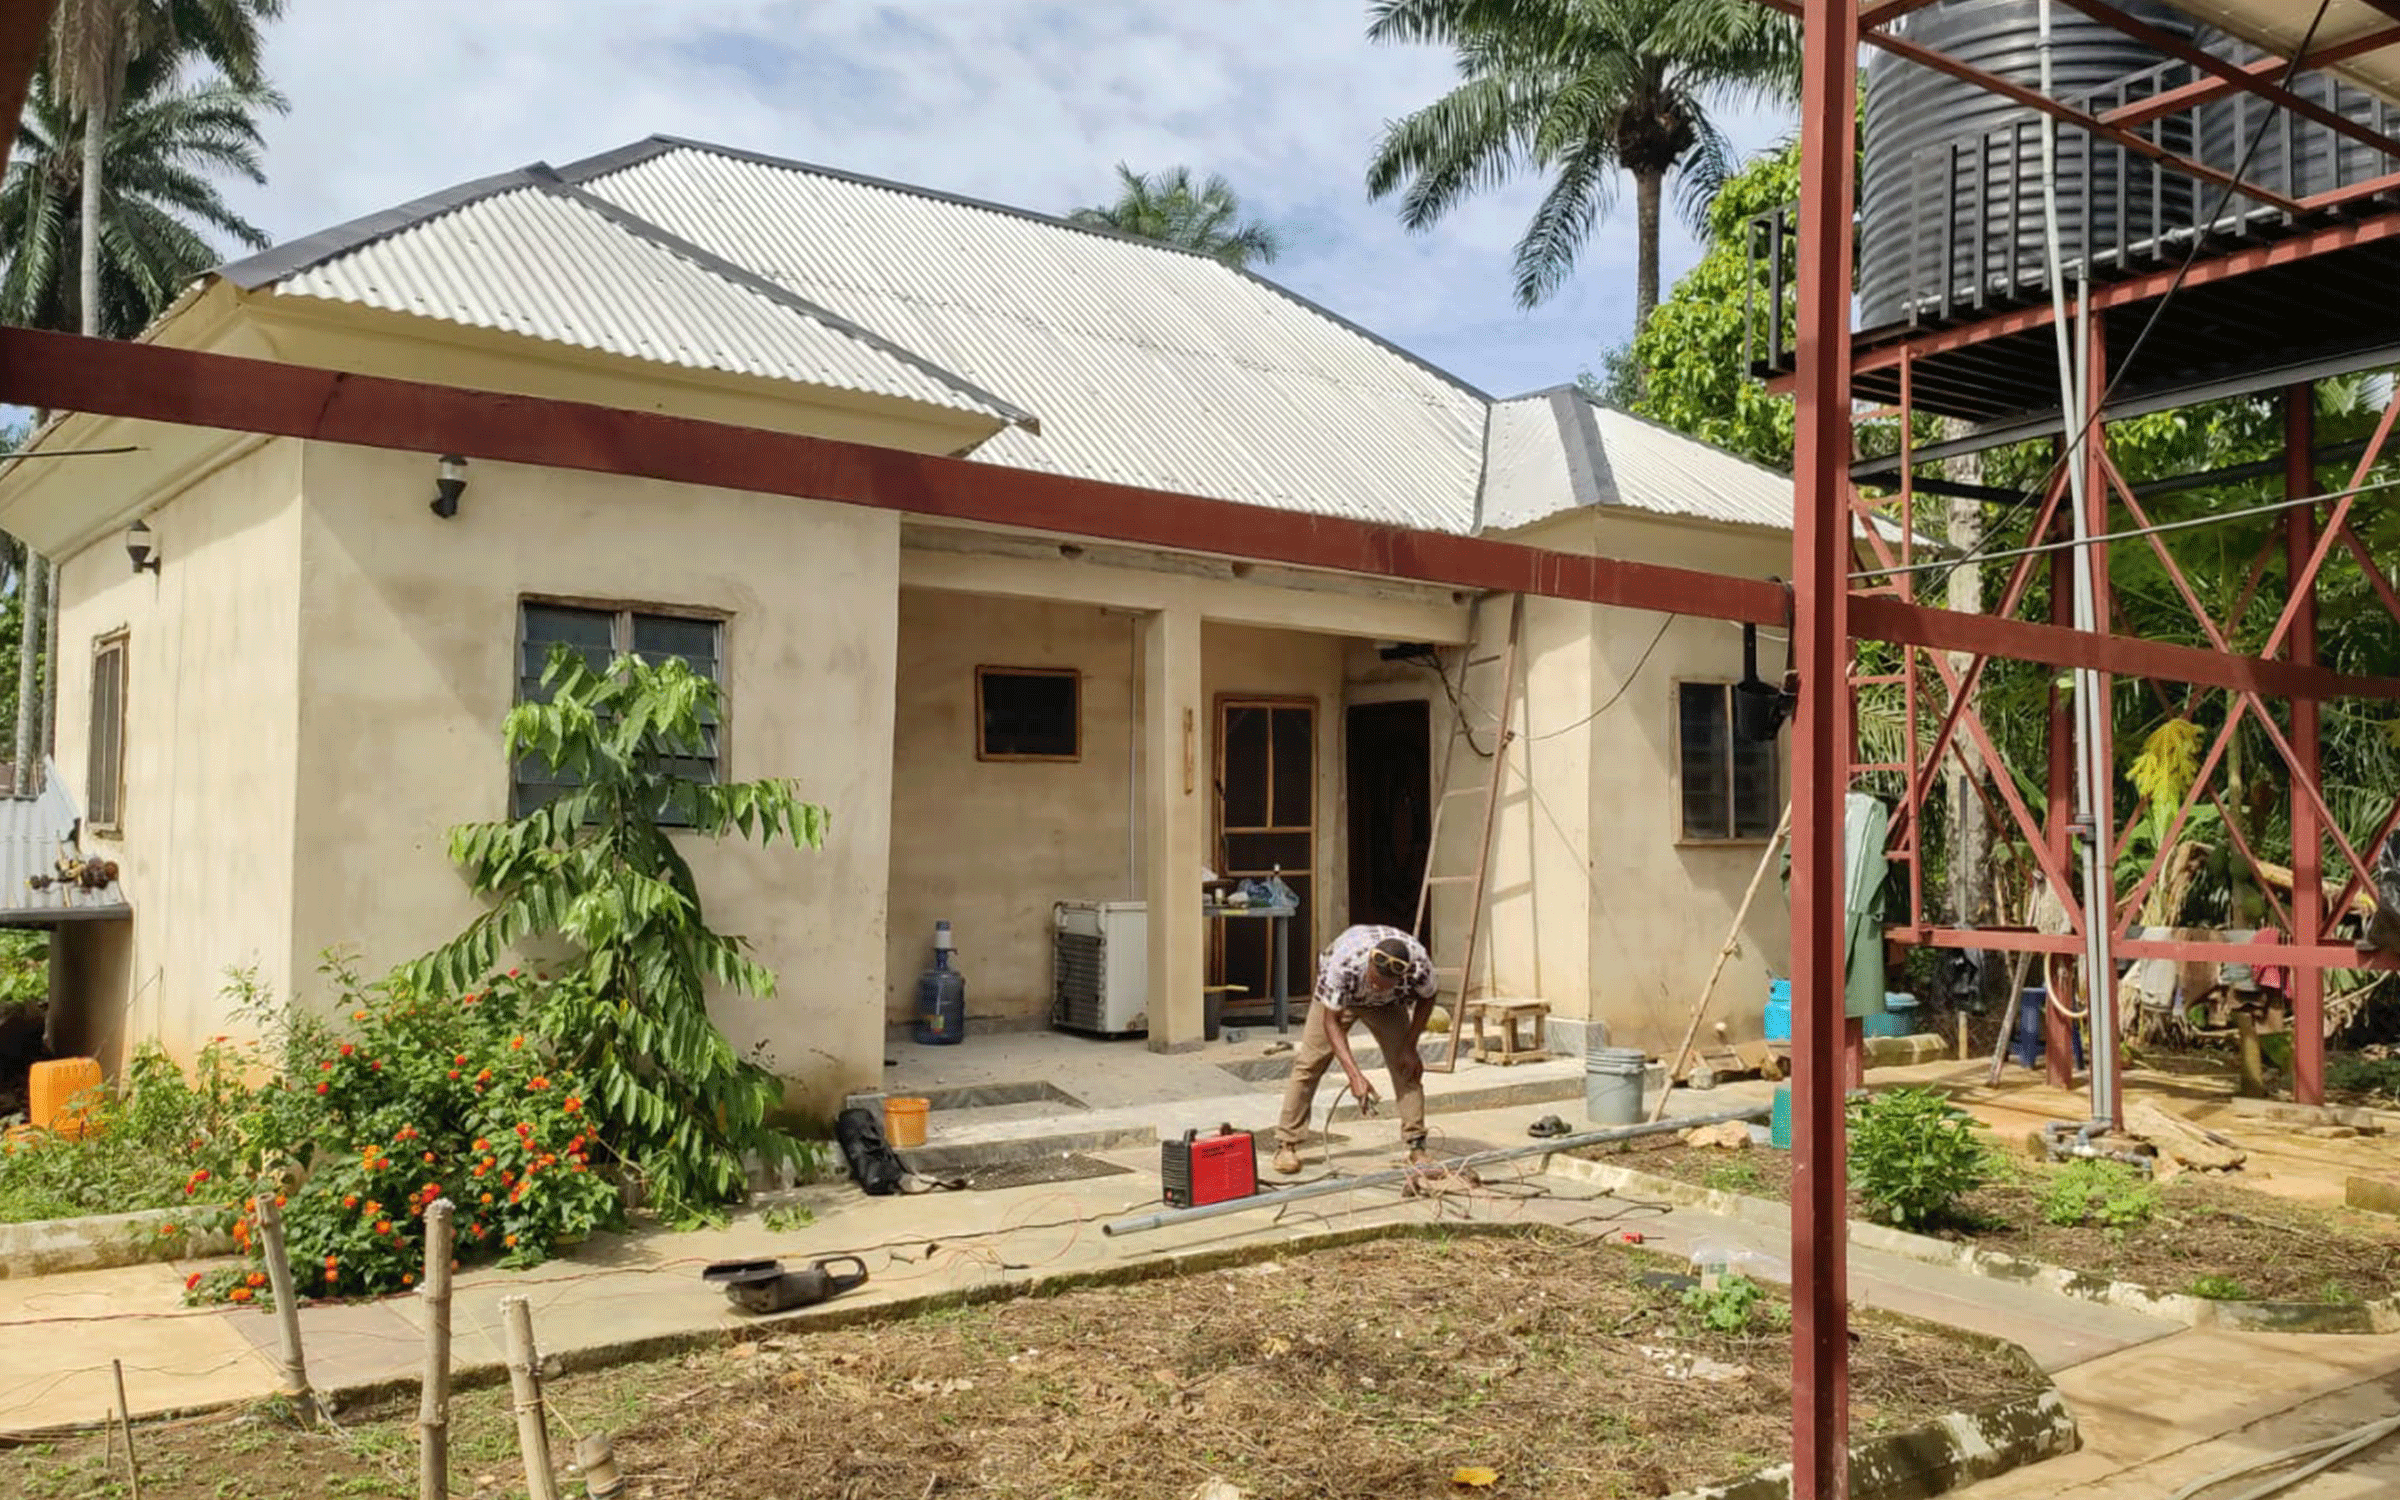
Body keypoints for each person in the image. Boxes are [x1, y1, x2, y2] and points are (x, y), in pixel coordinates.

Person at [1271, 924, 1439, 1174]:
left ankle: (1417, 1145)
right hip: (1340, 1002)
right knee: (1309, 1063)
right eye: (1374, 981)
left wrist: (1410, 1046)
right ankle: (1287, 1144)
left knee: (1407, 1067)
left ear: (1400, 978)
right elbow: (1331, 1022)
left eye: (1384, 984)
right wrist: (1354, 1075)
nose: (1376, 987)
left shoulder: (1419, 966)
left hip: (1388, 1007)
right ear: (1368, 965)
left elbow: (1428, 997)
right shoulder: (1345, 964)